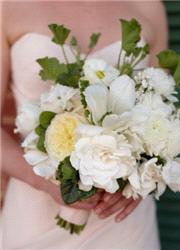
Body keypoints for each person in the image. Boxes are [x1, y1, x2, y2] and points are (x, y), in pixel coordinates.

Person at [1, 1, 168, 249]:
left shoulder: (147, 6)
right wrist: (45, 183)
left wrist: (145, 179)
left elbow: (161, 116)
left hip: (122, 223)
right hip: (34, 216)